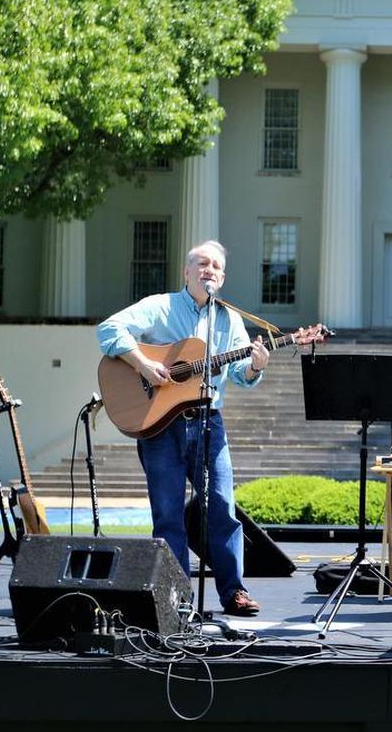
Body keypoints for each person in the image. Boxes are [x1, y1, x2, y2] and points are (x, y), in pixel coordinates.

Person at [97, 240, 315, 617]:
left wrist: (256, 365)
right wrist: (143, 366)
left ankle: (234, 591)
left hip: (208, 423)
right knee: (167, 515)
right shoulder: (161, 306)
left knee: (222, 507)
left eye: (215, 265)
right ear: (187, 272)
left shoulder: (229, 320)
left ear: (223, 277)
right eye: (201, 263)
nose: (208, 270)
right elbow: (108, 328)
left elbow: (239, 374)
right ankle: (176, 597)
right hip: (160, 428)